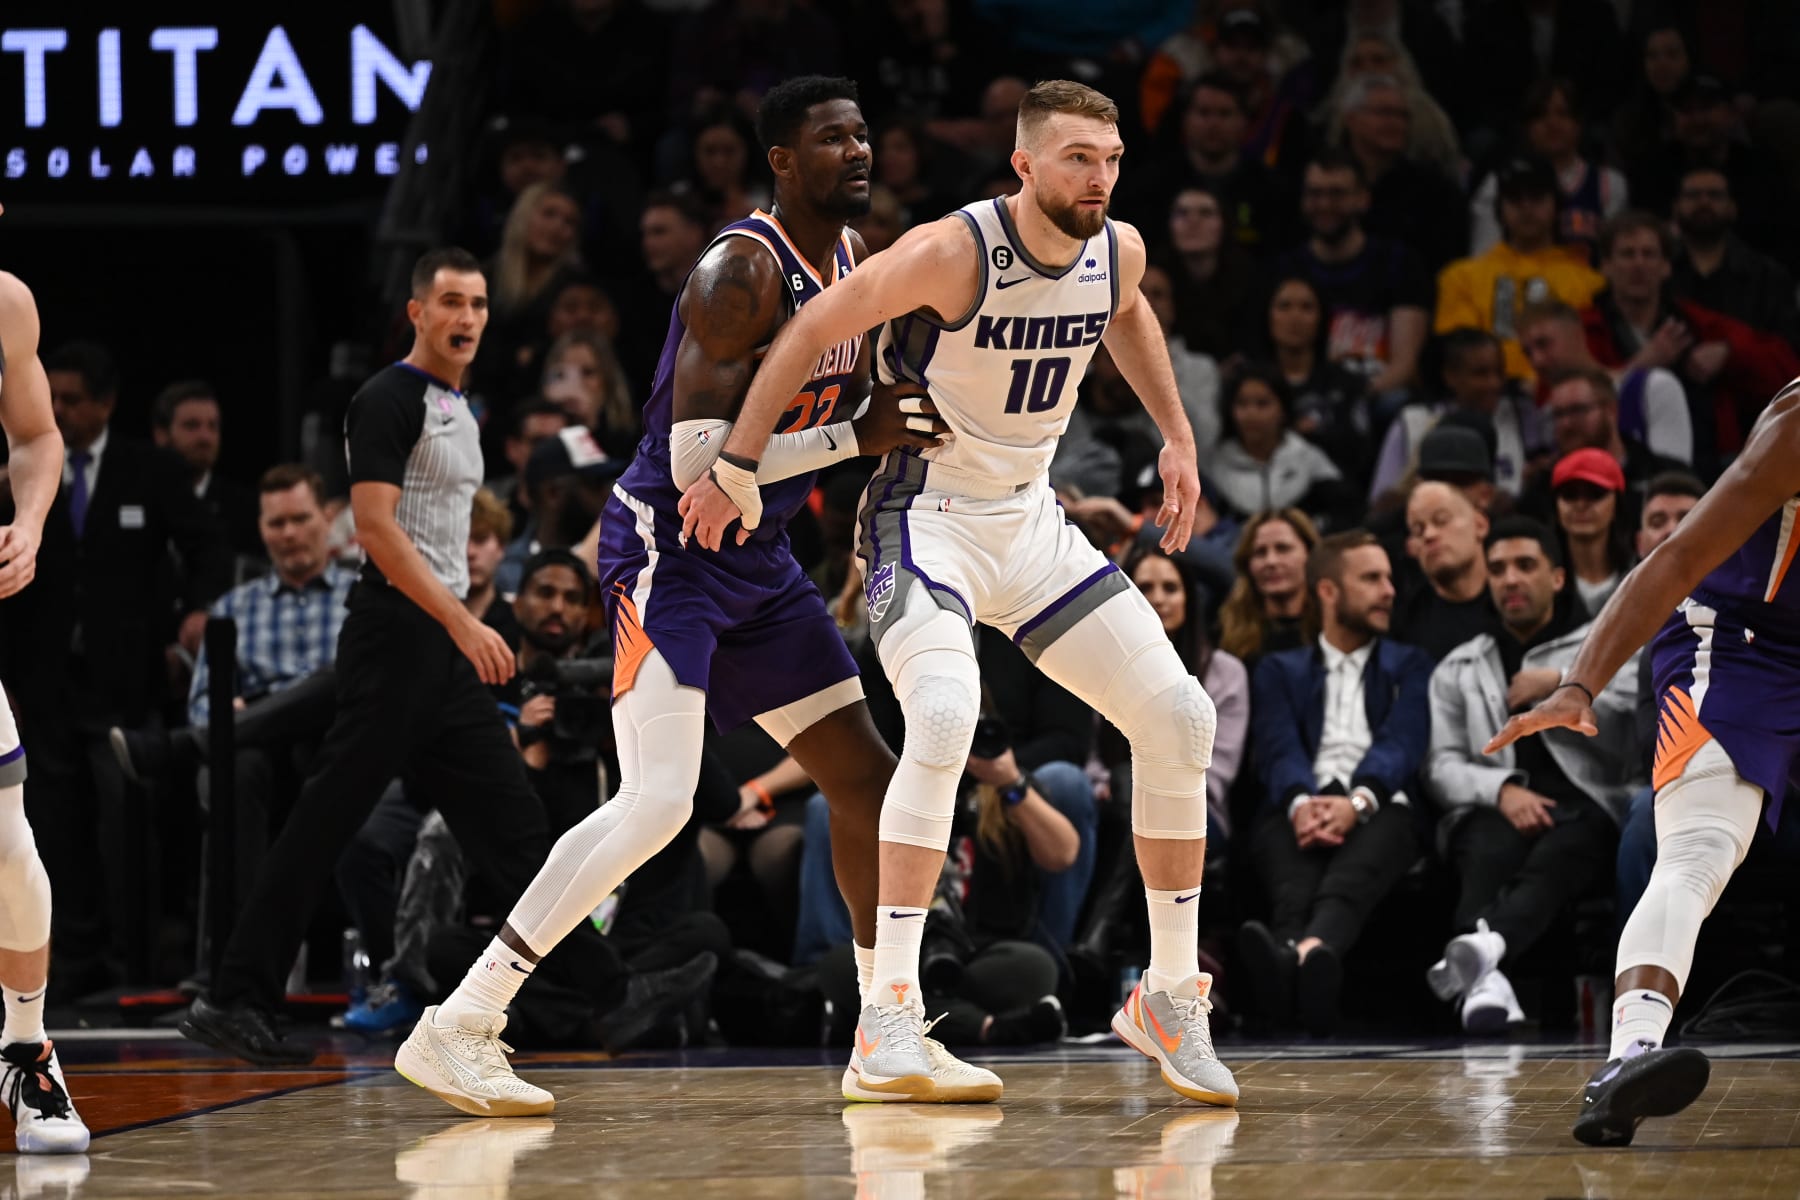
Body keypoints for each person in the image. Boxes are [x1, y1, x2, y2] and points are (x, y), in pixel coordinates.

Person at [393, 76, 984, 1115]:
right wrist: (859, 435)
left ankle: (884, 1027)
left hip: (758, 560)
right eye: (831, 140)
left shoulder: (849, 263)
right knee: (658, 801)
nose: (858, 153)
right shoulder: (737, 271)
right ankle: (461, 1022)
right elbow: (703, 461)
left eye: (863, 136)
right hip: (675, 551)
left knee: (866, 778)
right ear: (782, 162)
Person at [682, 79, 1239, 1107]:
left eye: (1111, 160)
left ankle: (1167, 994)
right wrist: (738, 464)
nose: (1099, 179)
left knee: (1180, 715)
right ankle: (886, 1017)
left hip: (1029, 525)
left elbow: (1128, 315)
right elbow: (810, 333)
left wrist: (1178, 435)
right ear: (1024, 165)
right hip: (921, 522)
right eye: (1078, 159)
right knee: (943, 712)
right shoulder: (954, 249)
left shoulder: (1119, 249)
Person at [179, 248, 616, 1068]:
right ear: (417, 312)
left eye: (480, 304)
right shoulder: (386, 397)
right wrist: (466, 624)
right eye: (451, 301)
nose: (468, 317)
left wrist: (456, 629)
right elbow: (376, 531)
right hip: (400, 632)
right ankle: (236, 995)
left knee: (511, 821)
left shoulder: (461, 407)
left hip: (439, 646)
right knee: (327, 818)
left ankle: (605, 990)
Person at [1486, 380, 1800, 1146]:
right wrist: (1579, 683)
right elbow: (1679, 555)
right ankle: (1628, 1056)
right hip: (1736, 643)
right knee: (1698, 849)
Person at [1424, 517, 1637, 1034]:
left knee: (1565, 850)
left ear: (1558, 577)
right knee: (1487, 846)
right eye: (1497, 569)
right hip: (1497, 807)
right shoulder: (1460, 664)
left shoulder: (1600, 644)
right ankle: (1488, 975)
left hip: (1586, 806)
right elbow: (1441, 765)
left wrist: (1565, 683)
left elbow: (1635, 710)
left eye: (1525, 565)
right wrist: (1501, 791)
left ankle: (1484, 963)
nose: (1509, 579)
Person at [1240, 532, 1431, 1036]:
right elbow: (1278, 746)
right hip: (1298, 800)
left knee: (1363, 857)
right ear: (1327, 591)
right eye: (1371, 579)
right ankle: (1308, 962)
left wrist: (1358, 801)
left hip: (1383, 802)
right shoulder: (1280, 669)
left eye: (1389, 578)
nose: (1388, 590)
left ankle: (1292, 958)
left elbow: (1402, 744)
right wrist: (1303, 803)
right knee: (1289, 870)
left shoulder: (1408, 664)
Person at [0, 269, 90, 1151]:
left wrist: (27, 524)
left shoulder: (6, 303)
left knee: (7, 850)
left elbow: (35, 437)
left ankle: (27, 1050)